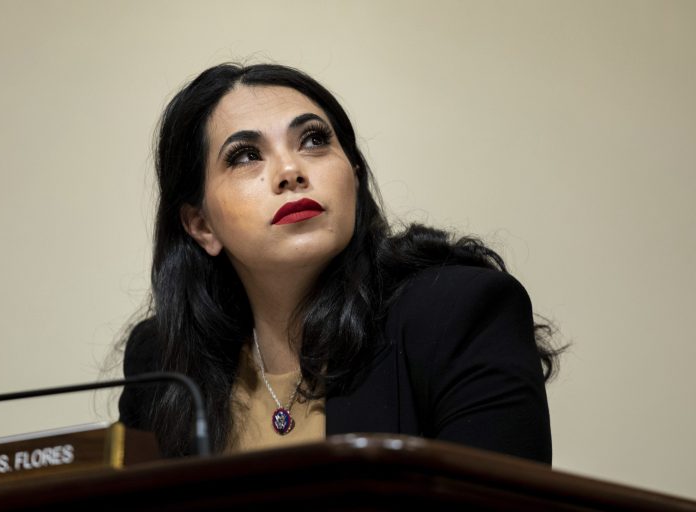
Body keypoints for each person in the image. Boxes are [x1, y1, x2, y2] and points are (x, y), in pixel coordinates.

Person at [118, 63, 560, 464]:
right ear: (201, 226)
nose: (290, 170)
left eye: (313, 140)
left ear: (354, 175)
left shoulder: (457, 313)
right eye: (246, 155)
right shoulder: (163, 362)